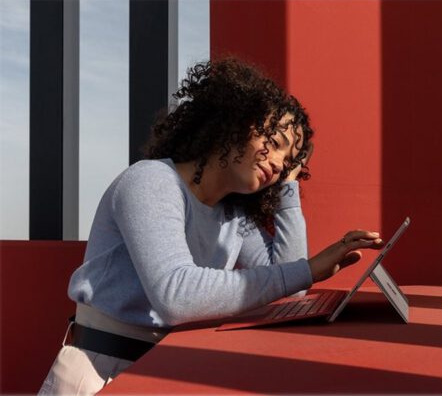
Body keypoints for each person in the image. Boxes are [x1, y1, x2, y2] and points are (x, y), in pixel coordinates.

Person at [38, 58, 383, 395]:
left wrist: (288, 188)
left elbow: (288, 289)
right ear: (235, 121)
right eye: (275, 144)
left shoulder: (232, 214)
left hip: (168, 372)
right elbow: (176, 295)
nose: (277, 164)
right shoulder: (152, 181)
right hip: (101, 371)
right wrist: (308, 269)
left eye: (288, 163)